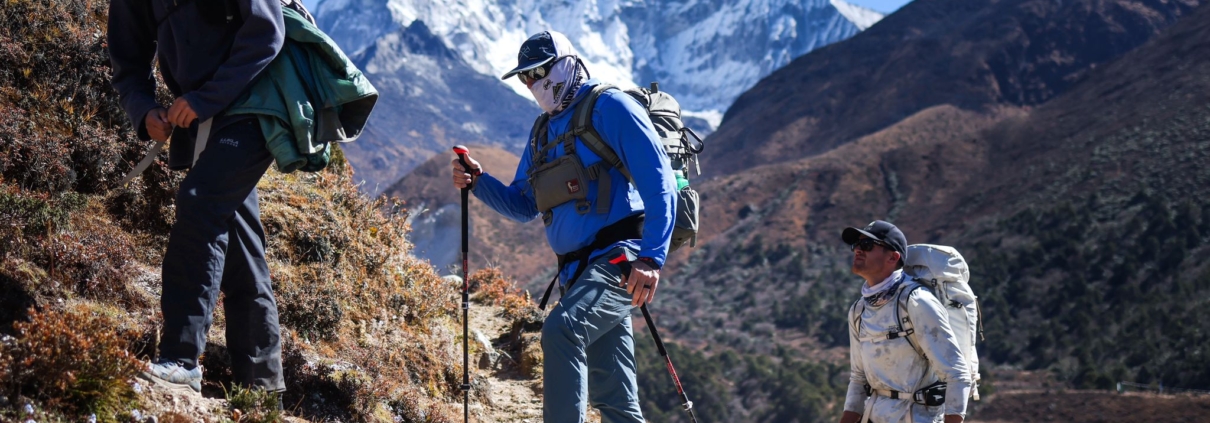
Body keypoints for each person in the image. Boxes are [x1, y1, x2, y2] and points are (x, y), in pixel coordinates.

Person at [451, 30, 676, 423]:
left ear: (567, 63)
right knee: (616, 398)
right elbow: (523, 205)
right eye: (525, 77)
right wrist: (477, 181)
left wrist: (652, 258)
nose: (533, 84)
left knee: (561, 330)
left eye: (539, 72)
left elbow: (661, 184)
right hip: (577, 274)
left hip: (620, 260)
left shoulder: (610, 107)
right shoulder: (542, 133)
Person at [108, 0, 286, 393]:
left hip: (256, 107)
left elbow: (266, 33)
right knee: (239, 242)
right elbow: (127, 58)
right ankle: (263, 390)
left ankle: (181, 359)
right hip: (203, 123)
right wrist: (143, 110)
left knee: (200, 201)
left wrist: (205, 98)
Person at [839, 220, 972, 423]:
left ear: (893, 257)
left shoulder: (917, 302)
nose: (858, 250)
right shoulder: (859, 310)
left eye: (867, 245)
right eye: (856, 245)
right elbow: (858, 378)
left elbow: (956, 373)